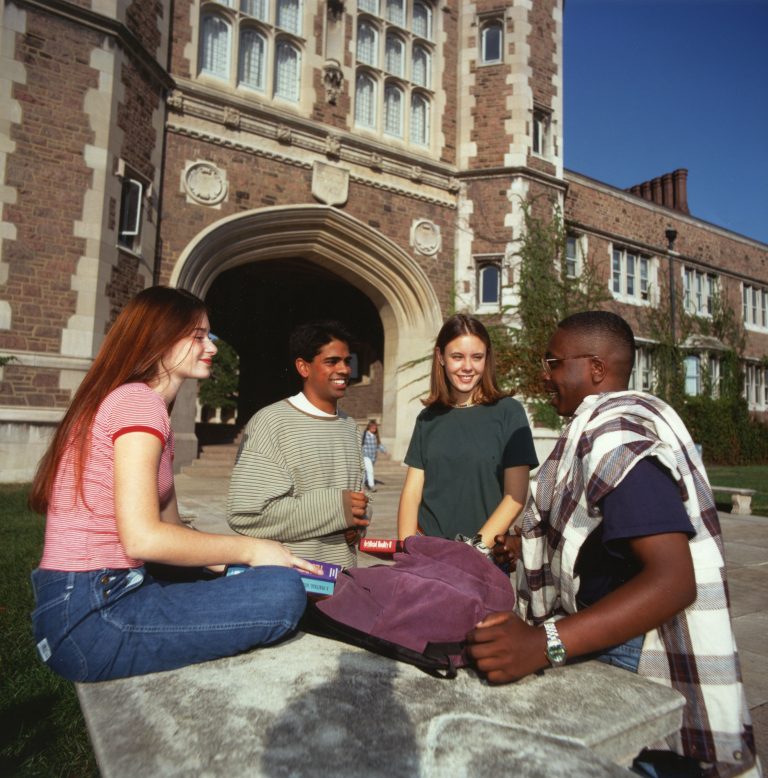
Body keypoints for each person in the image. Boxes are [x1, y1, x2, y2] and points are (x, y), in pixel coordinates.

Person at [467, 311, 757, 777]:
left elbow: (673, 581)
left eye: (554, 362)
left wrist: (543, 645)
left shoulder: (616, 437)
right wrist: (526, 551)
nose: (545, 375)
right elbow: (608, 539)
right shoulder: (596, 428)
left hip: (625, 651)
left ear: (596, 369)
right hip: (604, 635)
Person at [29, 286, 315, 683]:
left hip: (105, 591)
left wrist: (239, 563)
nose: (211, 347)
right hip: (93, 614)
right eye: (198, 337)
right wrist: (253, 549)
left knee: (269, 575)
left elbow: (173, 531)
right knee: (282, 592)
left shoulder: (144, 408)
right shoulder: (138, 404)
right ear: (157, 339)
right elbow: (144, 540)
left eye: (208, 336)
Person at [227, 320, 368, 568]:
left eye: (347, 361)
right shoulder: (271, 422)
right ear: (303, 367)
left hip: (344, 579)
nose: (344, 369)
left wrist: (358, 521)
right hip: (291, 579)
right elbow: (246, 514)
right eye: (332, 361)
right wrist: (338, 508)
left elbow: (356, 499)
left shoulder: (350, 427)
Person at [397, 314, 538, 555]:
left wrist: (474, 550)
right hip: (428, 555)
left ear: (487, 358)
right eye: (457, 357)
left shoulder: (509, 413)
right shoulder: (427, 417)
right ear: (441, 357)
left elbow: (515, 496)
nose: (467, 367)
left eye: (477, 357)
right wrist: (407, 548)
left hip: (483, 558)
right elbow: (412, 493)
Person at [361, 419, 386, 491]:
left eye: (375, 428)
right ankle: (371, 485)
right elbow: (359, 442)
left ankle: (362, 484)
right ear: (369, 427)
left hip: (373, 457)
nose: (374, 429)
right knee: (370, 470)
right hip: (365, 456)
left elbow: (379, 445)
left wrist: (384, 451)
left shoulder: (375, 436)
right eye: (372, 427)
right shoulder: (365, 434)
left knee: (366, 471)